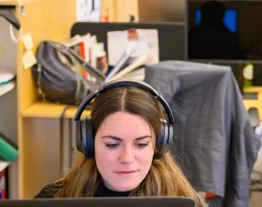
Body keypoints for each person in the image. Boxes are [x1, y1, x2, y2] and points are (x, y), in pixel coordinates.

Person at [34, 81, 206, 206]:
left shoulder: (188, 203)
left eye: (141, 144)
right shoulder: (53, 200)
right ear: (89, 143)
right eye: (112, 144)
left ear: (158, 145)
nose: (127, 158)